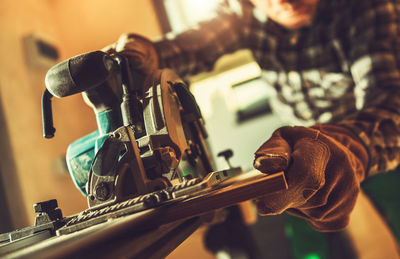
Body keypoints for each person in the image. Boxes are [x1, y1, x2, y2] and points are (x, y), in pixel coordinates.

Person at [103, 0, 400, 233]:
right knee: (311, 245)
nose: (282, 0)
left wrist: (350, 148)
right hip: (302, 155)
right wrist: (146, 55)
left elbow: (389, 104)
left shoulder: (368, 6)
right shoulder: (242, 13)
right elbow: (193, 45)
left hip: (373, 143)